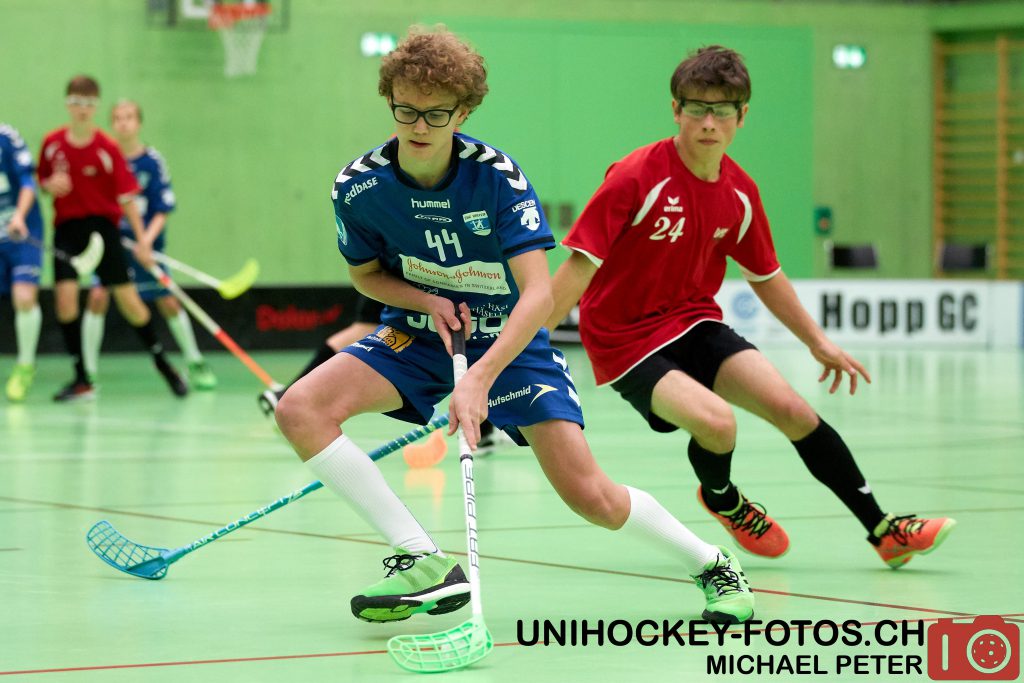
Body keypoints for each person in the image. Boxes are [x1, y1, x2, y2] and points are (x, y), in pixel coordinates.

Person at [274, 26, 755, 626]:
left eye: (437, 114)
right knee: (300, 409)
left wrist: (480, 378)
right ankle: (420, 557)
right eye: (406, 110)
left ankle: (712, 563)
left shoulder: (497, 177)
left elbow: (538, 294)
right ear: (389, 100)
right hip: (421, 334)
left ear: (464, 112)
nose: (419, 126)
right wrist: (426, 300)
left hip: (511, 340)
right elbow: (366, 276)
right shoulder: (359, 186)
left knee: (591, 496)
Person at [546, 45, 955, 569]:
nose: (708, 122)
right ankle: (723, 500)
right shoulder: (636, 176)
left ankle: (883, 530)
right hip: (623, 337)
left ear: (742, 116)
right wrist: (522, 345)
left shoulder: (740, 192)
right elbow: (578, 268)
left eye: (722, 110)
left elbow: (766, 276)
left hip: (693, 321)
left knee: (794, 411)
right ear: (676, 110)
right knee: (718, 425)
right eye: (696, 108)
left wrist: (817, 342)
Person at [37, 75, 187, 401]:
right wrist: (48, 185)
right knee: (65, 303)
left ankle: (165, 366)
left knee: (131, 304)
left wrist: (143, 242)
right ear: (67, 104)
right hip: (67, 232)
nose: (82, 109)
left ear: (95, 107)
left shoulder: (107, 148)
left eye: (88, 104)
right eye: (76, 102)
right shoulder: (52, 143)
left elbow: (127, 198)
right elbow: (43, 180)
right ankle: (82, 378)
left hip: (103, 232)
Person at [258, 292, 514, 454]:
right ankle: (292, 395)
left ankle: (485, 430)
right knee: (365, 328)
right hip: (409, 271)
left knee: (363, 327)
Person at [81, 100, 216, 390]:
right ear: (112, 124)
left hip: (146, 246)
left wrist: (145, 243)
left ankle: (195, 362)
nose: (123, 123)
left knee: (168, 301)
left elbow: (162, 208)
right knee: (97, 297)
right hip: (113, 246)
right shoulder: (104, 159)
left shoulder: (152, 161)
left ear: (138, 123)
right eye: (117, 118)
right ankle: (87, 372)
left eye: (129, 117)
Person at [0, 124, 44, 402]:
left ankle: (25, 366)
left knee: (24, 297)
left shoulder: (7, 138)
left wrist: (18, 215)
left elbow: (28, 182)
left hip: (22, 232)